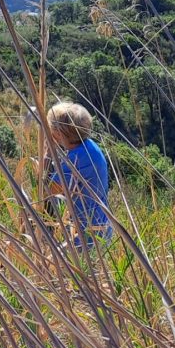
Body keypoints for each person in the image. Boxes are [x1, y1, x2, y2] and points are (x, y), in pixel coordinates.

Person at [46, 102, 111, 247]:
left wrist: (47, 154)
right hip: (98, 223)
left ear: (58, 133)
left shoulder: (76, 158)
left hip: (88, 230)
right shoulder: (88, 147)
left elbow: (51, 191)